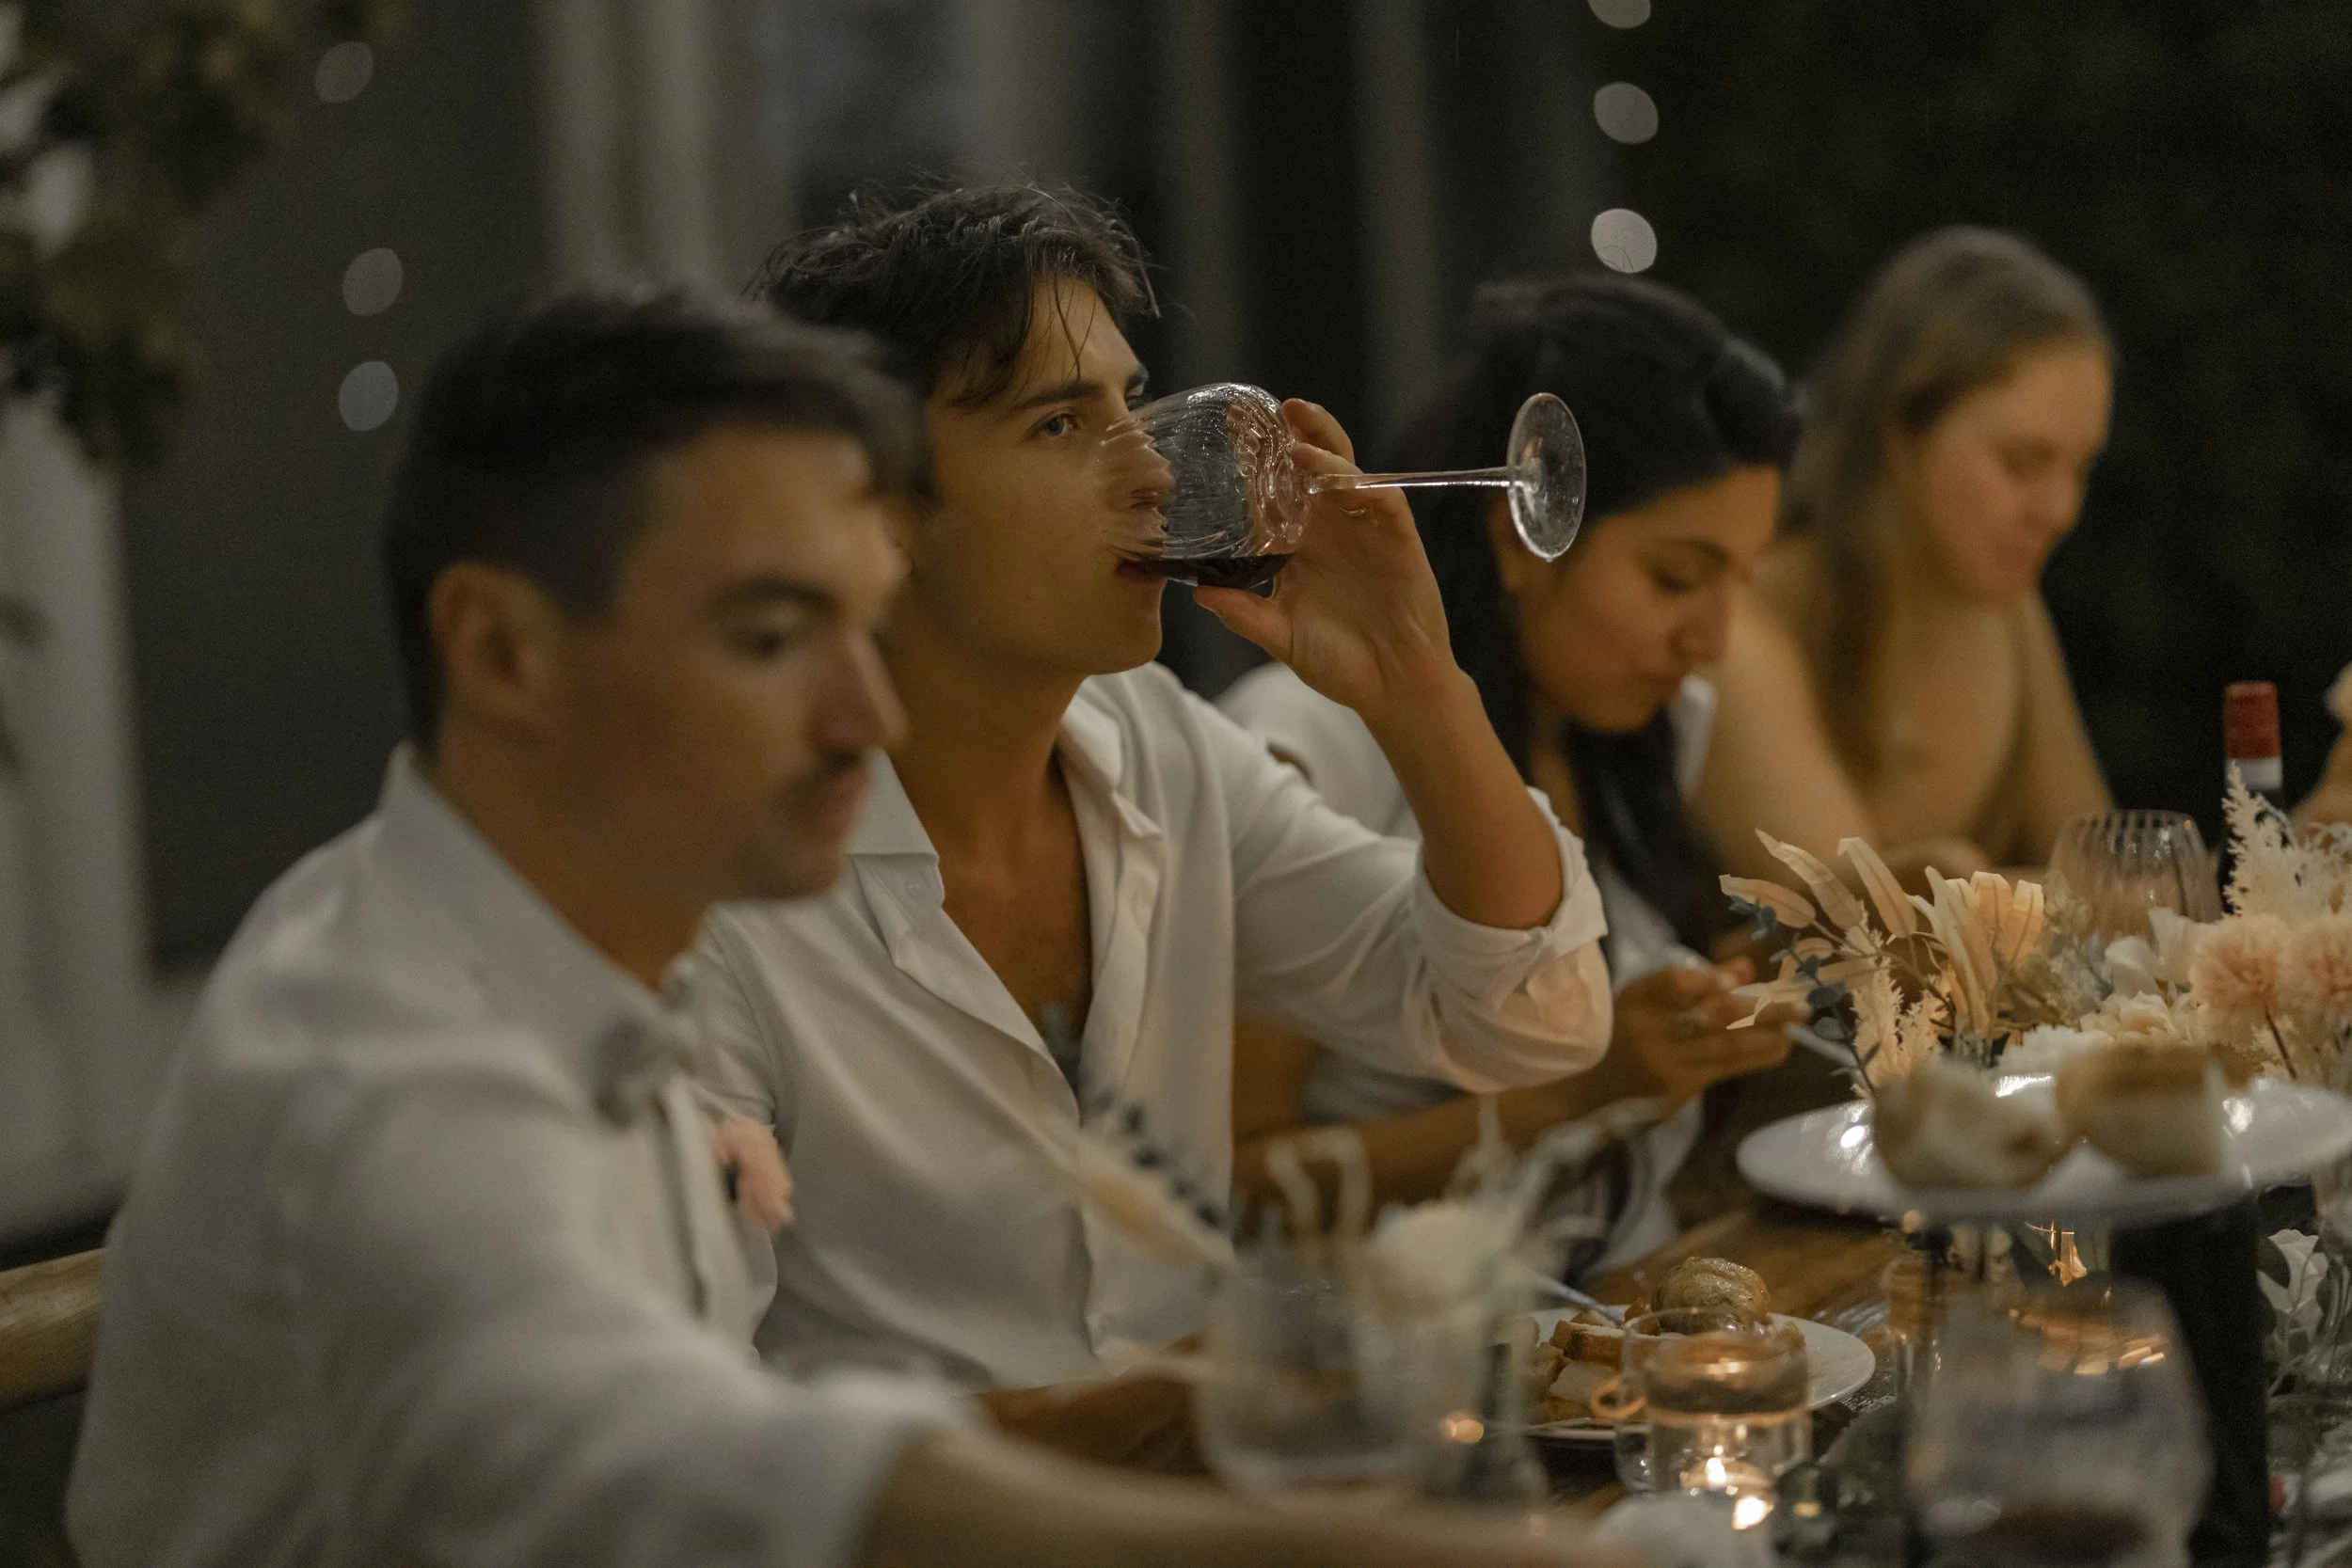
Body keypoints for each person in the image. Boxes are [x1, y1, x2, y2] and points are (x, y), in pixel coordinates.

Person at [65, 289, 1622, 1568]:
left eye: (858, 619)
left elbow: (1526, 1005)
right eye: (771, 633)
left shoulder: (601, 948)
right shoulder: (384, 1054)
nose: (868, 713)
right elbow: (694, 1472)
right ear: (504, 651)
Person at [690, 182, 1614, 1390]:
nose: (1157, 475)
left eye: (1134, 405)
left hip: (1213, 1462)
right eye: (1059, 426)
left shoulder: (1156, 746)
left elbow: (1531, 1019)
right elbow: (692, 1417)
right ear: (875, 508)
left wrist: (1417, 685)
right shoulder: (718, 895)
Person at [1219, 275, 1802, 1268]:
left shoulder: (1641, 731)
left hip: (1632, 1304)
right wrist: (1574, 1095)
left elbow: (1645, 992)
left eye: (1736, 582)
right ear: (1520, 532)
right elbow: (1228, 1187)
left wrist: (1796, 954)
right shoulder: (1309, 747)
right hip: (1391, 1341)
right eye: (1676, 576)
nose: (1709, 640)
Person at [1699, 227, 2116, 888]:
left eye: (2080, 469)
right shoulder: (1742, 629)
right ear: (1898, 433)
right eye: (2022, 462)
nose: (2060, 510)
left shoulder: (2003, 608)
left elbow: (2111, 869)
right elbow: (1861, 924)